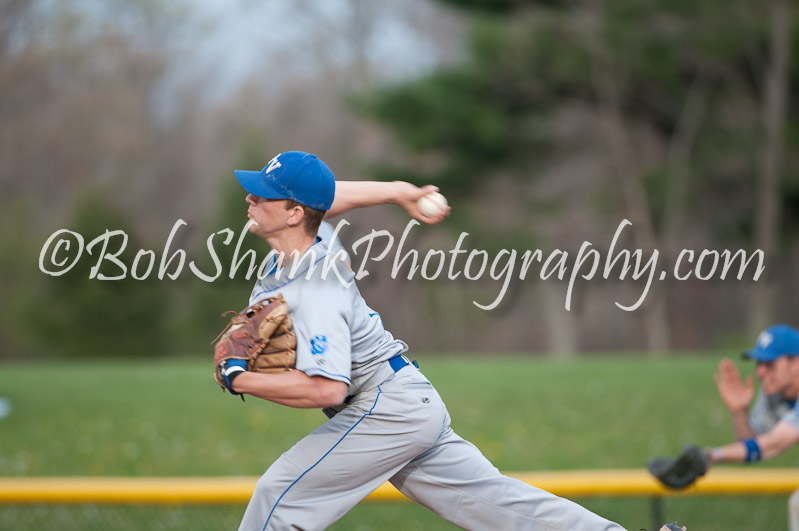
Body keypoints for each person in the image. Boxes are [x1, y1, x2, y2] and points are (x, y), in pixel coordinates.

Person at [216, 150, 627, 530]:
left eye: (262, 196)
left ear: (293, 214)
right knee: (497, 504)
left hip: (383, 409)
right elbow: (329, 197)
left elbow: (328, 387)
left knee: (279, 497)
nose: (250, 199)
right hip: (407, 402)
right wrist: (400, 192)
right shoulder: (309, 237)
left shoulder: (317, 286)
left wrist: (239, 378)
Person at [705, 324, 799, 531]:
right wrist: (739, 413)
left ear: (796, 363)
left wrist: (713, 455)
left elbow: (773, 444)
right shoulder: (773, 394)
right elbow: (754, 446)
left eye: (769, 364)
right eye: (758, 364)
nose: (760, 372)